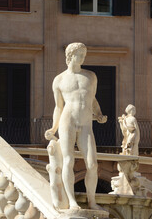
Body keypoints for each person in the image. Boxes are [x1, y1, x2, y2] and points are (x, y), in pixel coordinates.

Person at [45, 42, 107, 210]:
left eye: (84, 54)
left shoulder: (91, 76)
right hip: (67, 122)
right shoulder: (59, 80)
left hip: (86, 123)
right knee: (68, 160)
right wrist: (53, 128)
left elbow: (92, 99)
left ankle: (92, 201)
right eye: (80, 54)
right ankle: (72, 201)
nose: (83, 57)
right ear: (70, 55)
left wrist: (99, 113)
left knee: (92, 164)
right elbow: (58, 107)